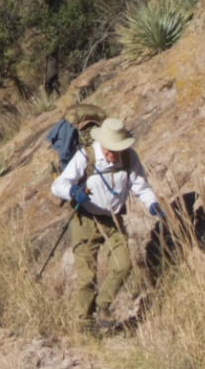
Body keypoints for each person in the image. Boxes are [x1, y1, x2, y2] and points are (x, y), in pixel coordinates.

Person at [49, 117, 161, 324]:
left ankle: (102, 306)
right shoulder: (86, 155)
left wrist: (153, 204)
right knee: (87, 275)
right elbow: (58, 185)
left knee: (123, 265)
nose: (112, 154)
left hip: (113, 220)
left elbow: (141, 186)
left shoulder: (129, 158)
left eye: (116, 150)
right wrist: (73, 190)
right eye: (109, 149)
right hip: (85, 220)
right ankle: (85, 322)